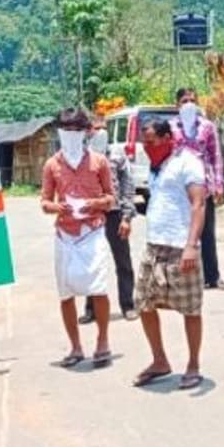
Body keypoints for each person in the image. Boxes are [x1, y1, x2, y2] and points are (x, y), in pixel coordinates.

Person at [131, 119, 207, 389]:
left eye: (151, 142)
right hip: (154, 246)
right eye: (144, 142)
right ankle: (159, 360)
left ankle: (193, 365)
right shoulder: (156, 166)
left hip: (180, 246)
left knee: (190, 308)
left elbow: (198, 204)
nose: (146, 147)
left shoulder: (188, 162)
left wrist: (191, 245)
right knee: (143, 302)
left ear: (167, 138)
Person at [40, 107, 116, 368]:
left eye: (76, 130)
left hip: (92, 231)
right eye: (67, 130)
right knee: (66, 292)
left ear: (85, 132)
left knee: (99, 287)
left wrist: (94, 203)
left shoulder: (99, 162)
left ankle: (103, 341)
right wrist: (57, 207)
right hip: (65, 234)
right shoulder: (52, 165)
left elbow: (111, 198)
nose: (71, 134)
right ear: (60, 132)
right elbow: (45, 202)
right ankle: (75, 346)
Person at [172, 88, 224, 291]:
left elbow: (216, 156)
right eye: (184, 101)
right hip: (180, 189)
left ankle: (212, 277)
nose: (189, 104)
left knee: (207, 232)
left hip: (204, 186)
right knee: (181, 232)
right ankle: (182, 278)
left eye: (192, 100)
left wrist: (219, 184)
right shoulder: (171, 127)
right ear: (177, 105)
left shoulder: (207, 126)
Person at [82, 114, 138, 323]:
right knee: (91, 262)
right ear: (87, 131)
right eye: (95, 128)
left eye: (103, 128)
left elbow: (127, 186)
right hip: (91, 215)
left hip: (114, 213)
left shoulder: (117, 155)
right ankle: (91, 309)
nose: (100, 132)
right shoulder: (81, 157)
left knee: (123, 261)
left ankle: (128, 305)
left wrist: (127, 217)